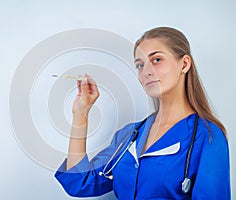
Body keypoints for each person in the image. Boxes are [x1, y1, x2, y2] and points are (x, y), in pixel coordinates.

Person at [54, 27, 231, 199]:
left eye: (157, 60)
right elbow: (80, 182)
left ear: (184, 64)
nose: (146, 71)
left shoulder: (207, 137)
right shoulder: (130, 135)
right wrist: (81, 115)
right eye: (140, 65)